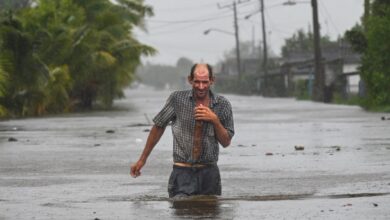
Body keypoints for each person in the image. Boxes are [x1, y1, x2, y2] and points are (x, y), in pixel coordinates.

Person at [130, 63, 234, 198]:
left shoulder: (222, 104)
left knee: (210, 214)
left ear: (212, 80)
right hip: (182, 172)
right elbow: (158, 127)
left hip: (209, 173)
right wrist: (142, 160)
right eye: (197, 82)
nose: (201, 87)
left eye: (205, 82)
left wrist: (214, 119)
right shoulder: (177, 99)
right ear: (190, 80)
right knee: (182, 211)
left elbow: (226, 142)